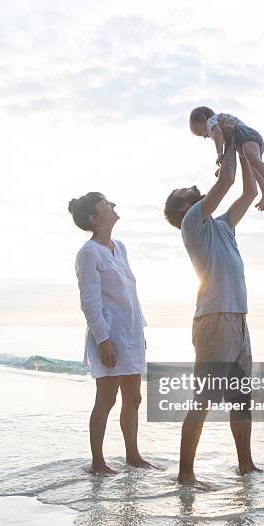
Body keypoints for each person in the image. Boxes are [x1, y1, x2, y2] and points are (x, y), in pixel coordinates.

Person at [164, 130, 261, 488]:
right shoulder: (192, 223)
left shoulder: (222, 226)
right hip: (213, 320)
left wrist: (249, 157)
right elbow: (228, 180)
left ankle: (246, 466)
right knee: (203, 399)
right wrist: (230, 143)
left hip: (237, 320)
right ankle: (185, 475)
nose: (192, 187)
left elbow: (247, 191)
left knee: (241, 397)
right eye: (183, 192)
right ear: (181, 207)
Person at [68, 192, 152, 475]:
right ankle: (98, 463)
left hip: (130, 333)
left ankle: (133, 456)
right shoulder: (88, 253)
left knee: (134, 398)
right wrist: (103, 340)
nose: (113, 204)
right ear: (94, 218)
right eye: (105, 203)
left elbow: (131, 292)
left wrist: (139, 330)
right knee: (107, 398)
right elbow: (89, 301)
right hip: (108, 336)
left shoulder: (121, 247)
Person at [189, 106, 264, 211]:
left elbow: (218, 133)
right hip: (242, 140)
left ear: (203, 119)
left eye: (200, 133)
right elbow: (229, 150)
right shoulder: (221, 127)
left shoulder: (211, 122)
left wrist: (219, 154)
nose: (204, 136)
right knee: (254, 169)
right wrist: (222, 167)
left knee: (254, 161)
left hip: (245, 134)